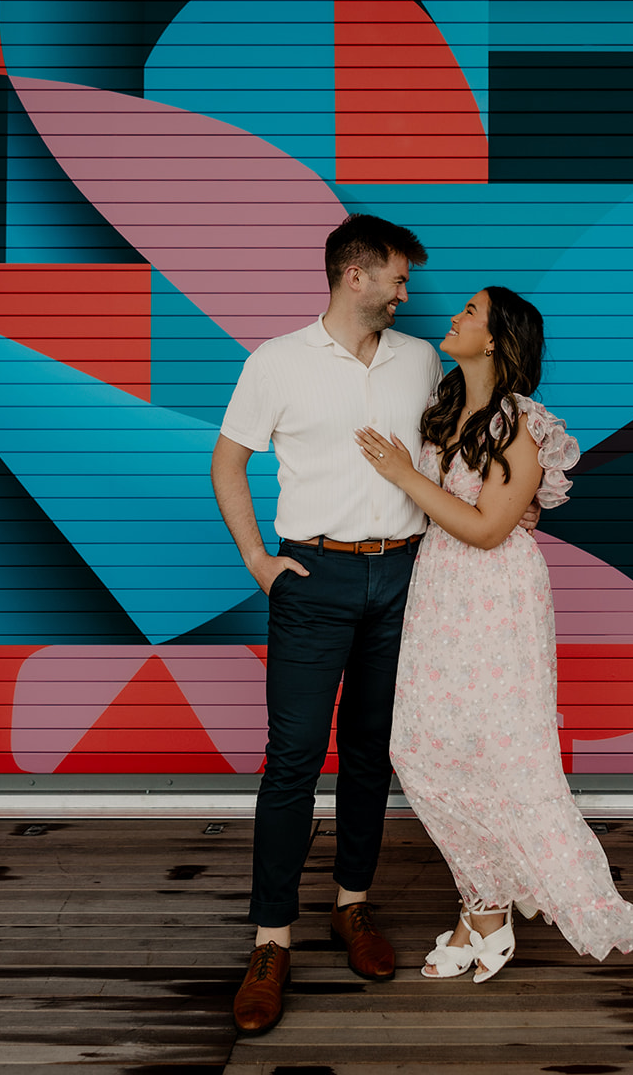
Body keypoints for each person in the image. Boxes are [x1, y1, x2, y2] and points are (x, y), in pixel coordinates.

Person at [355, 285, 633, 980]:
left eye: (468, 312)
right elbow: (466, 513)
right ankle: (483, 903)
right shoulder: (444, 406)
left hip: (493, 592)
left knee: (501, 752)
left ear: (493, 340)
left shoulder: (518, 421)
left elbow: (490, 530)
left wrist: (404, 476)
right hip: (439, 586)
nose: (453, 318)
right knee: (424, 747)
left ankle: (486, 913)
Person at [211, 213, 442, 1034]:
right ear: (355, 274)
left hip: (406, 575)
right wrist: (256, 561)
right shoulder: (276, 361)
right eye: (396, 278)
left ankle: (352, 906)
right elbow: (229, 459)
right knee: (293, 759)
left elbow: (446, 459)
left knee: (371, 753)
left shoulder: (422, 359)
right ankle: (271, 940)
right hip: (315, 575)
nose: (405, 293)